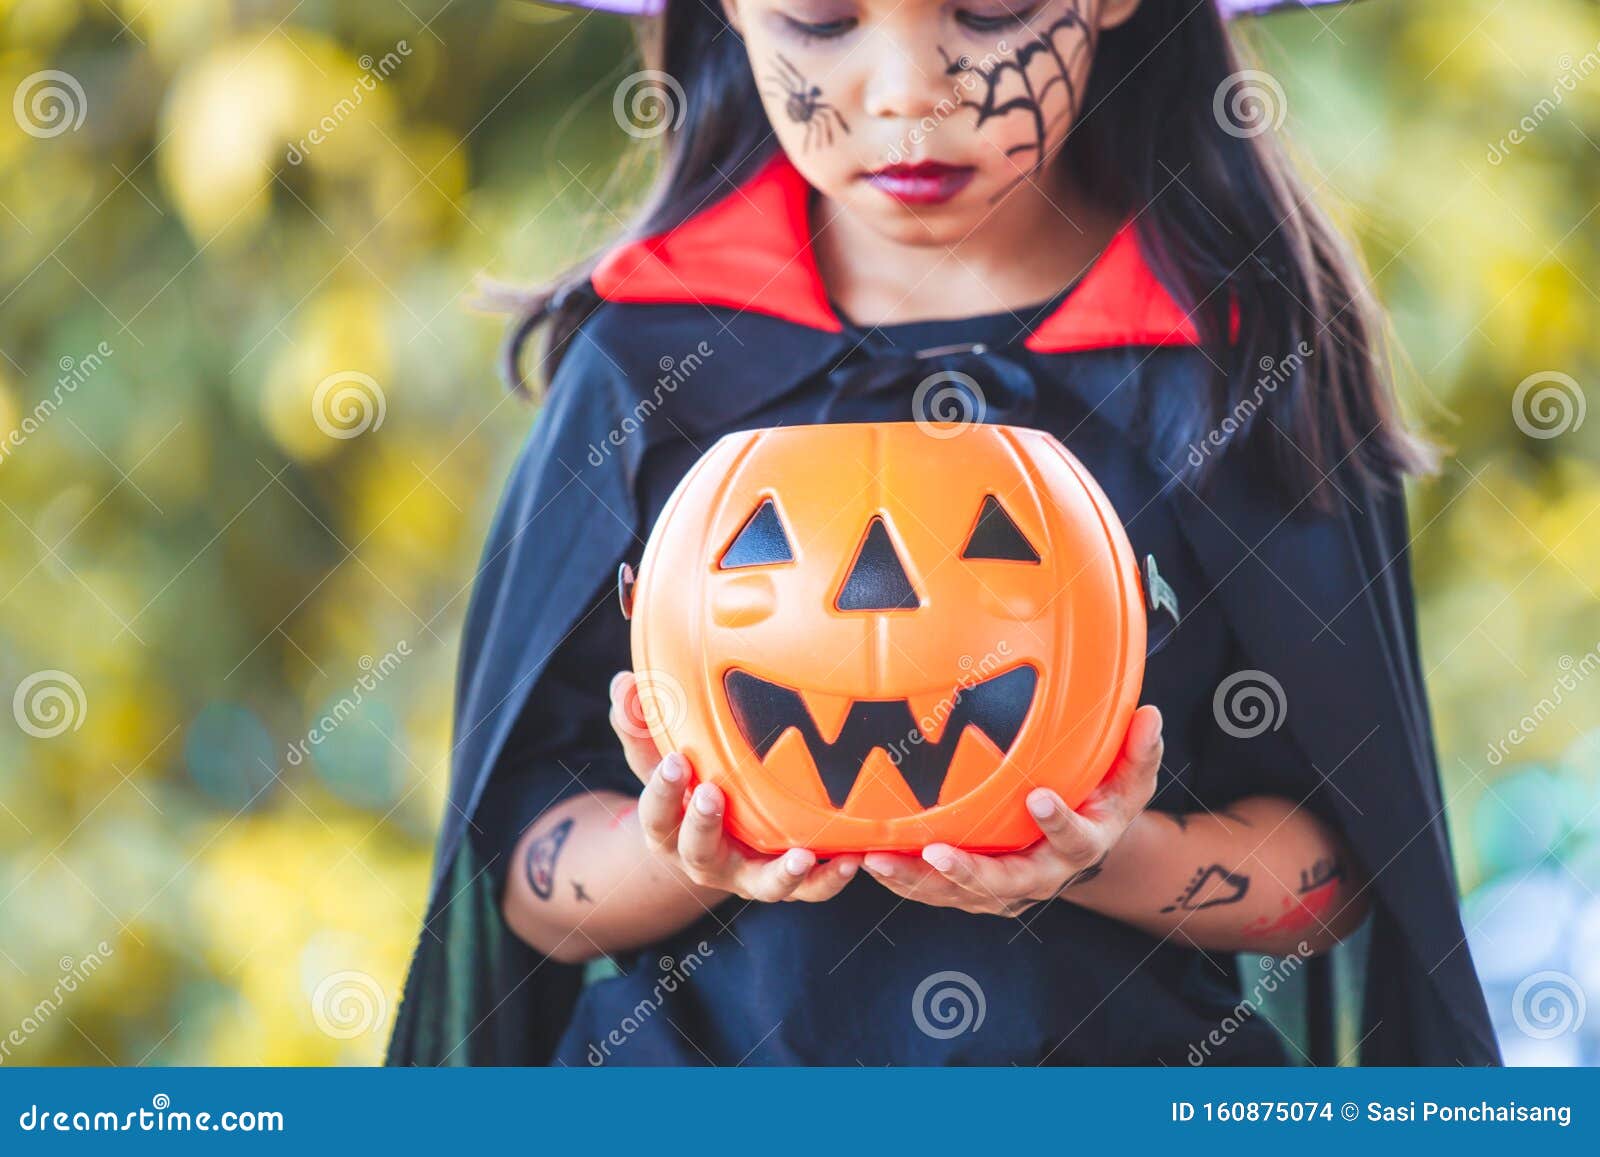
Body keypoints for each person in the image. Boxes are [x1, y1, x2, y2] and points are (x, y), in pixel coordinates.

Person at [388, 0, 1501, 1066]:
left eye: (990, 9)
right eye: (822, 19)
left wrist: (1103, 854)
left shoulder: (1234, 362)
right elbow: (522, 883)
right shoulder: (647, 367)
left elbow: (1338, 870)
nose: (908, 96)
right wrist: (680, 854)